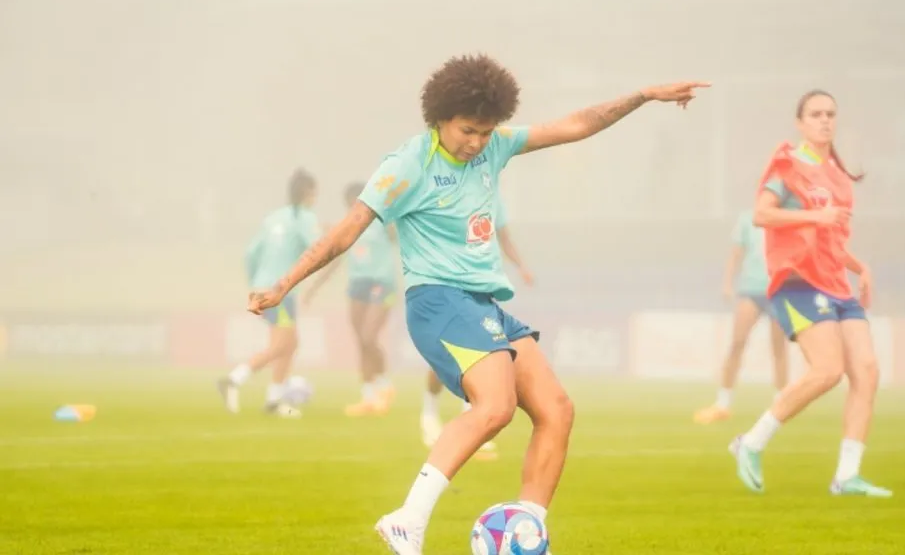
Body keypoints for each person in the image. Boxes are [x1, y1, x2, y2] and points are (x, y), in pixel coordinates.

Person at [247, 53, 709, 554]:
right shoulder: (408, 165)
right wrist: (285, 283)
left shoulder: (496, 148)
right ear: (440, 118)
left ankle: (525, 530)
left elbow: (575, 126)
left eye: (487, 132)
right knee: (496, 407)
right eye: (468, 130)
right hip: (437, 301)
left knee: (557, 409)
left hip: (484, 303)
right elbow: (345, 232)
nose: (477, 143)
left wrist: (641, 96)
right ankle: (407, 519)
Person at [729, 90, 891, 497]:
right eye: (815, 114)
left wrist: (861, 267)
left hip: (836, 283)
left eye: (830, 114)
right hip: (798, 282)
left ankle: (846, 476)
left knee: (867, 372)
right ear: (800, 123)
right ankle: (750, 442)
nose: (824, 120)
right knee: (827, 371)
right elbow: (762, 214)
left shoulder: (839, 178)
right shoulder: (788, 164)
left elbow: (832, 241)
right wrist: (815, 215)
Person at [420, 194, 534, 460]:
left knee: (479, 356)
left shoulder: (493, 199)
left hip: (480, 288)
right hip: (447, 287)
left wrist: (521, 267)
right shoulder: (450, 193)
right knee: (446, 357)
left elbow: (504, 238)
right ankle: (429, 413)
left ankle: (471, 426)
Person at [219, 168, 320, 417]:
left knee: (291, 343)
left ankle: (274, 399)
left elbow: (250, 253)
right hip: (280, 291)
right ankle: (234, 379)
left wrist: (254, 284)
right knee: (281, 344)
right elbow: (318, 248)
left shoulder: (273, 217)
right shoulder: (304, 218)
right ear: (308, 193)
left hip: (261, 286)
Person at [304, 183, 400, 417]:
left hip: (381, 282)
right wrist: (314, 287)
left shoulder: (382, 220)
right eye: (350, 202)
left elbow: (398, 237)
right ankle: (368, 395)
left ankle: (385, 384)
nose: (354, 205)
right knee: (361, 339)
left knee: (369, 335)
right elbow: (334, 258)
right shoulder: (348, 226)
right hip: (358, 284)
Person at [693, 209, 789, 424]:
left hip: (779, 289)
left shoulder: (786, 216)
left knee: (779, 347)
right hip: (751, 289)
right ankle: (722, 403)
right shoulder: (747, 219)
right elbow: (736, 254)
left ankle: (781, 403)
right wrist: (727, 283)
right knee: (737, 342)